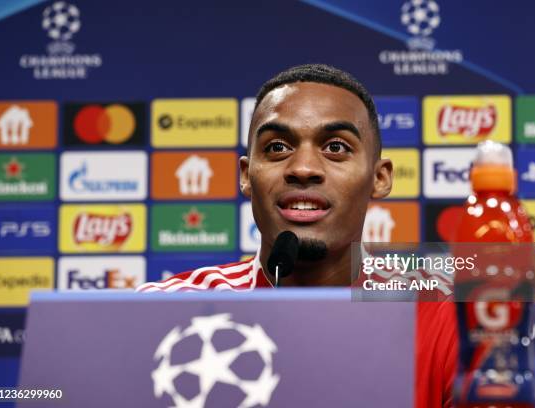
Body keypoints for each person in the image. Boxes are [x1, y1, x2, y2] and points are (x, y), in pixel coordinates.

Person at [137, 63, 457, 408]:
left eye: (335, 147)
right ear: (246, 176)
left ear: (379, 178)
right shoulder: (158, 312)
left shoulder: (444, 314)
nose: (303, 168)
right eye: (277, 147)